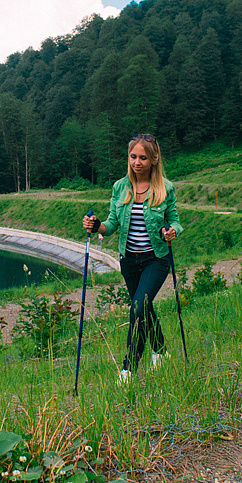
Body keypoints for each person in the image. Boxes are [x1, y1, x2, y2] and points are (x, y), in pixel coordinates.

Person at [84, 134, 183, 382]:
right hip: (128, 260)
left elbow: (175, 222)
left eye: (143, 157)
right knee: (144, 308)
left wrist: (171, 231)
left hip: (156, 259)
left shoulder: (165, 188)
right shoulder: (120, 187)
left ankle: (128, 369)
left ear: (153, 159)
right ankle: (161, 353)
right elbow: (111, 224)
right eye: (133, 156)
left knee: (137, 308)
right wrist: (96, 226)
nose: (137, 162)